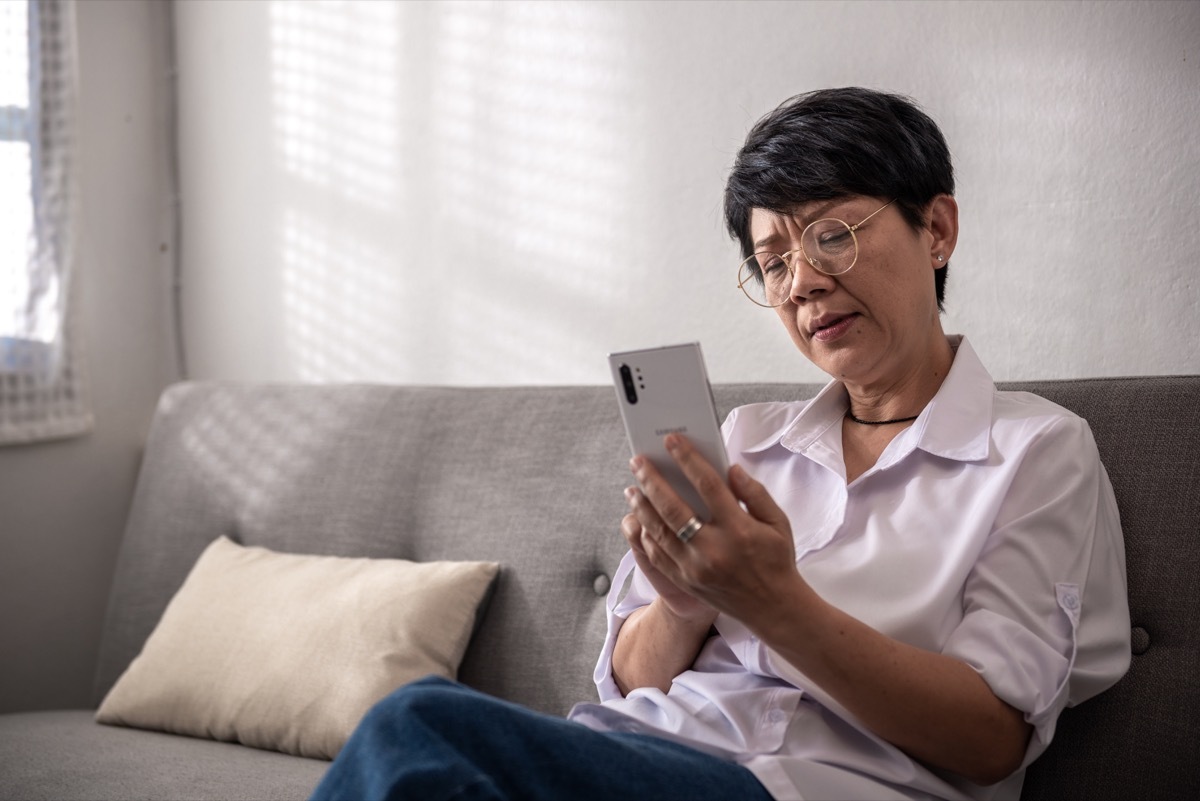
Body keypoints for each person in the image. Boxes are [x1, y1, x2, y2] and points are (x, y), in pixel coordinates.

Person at [310, 87, 1130, 801]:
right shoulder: (745, 440)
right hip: (639, 753)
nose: (801, 282)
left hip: (810, 785)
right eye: (772, 263)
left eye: (832, 234)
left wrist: (774, 600)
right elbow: (632, 679)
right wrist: (683, 603)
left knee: (416, 722)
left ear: (938, 229)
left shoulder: (1036, 451)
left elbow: (992, 741)